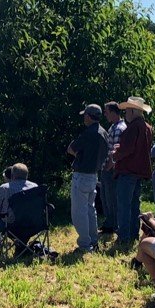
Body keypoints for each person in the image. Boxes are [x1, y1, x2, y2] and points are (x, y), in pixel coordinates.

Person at [111, 97, 153, 245]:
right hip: (139, 171)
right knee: (134, 205)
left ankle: (123, 237)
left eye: (128, 110)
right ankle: (133, 233)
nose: (126, 113)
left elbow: (127, 149)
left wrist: (116, 153)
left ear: (134, 111)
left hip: (128, 170)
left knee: (124, 205)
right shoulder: (147, 127)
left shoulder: (134, 127)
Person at [67, 103, 108, 252]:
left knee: (79, 211)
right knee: (91, 210)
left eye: (85, 115)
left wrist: (80, 155)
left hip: (82, 175)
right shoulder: (104, 132)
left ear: (89, 116)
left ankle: (84, 244)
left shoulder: (89, 132)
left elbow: (71, 148)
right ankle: (93, 240)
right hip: (94, 175)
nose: (84, 118)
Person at [0, 164, 36, 249]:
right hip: (31, 225)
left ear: (12, 175)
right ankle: (21, 246)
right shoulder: (34, 187)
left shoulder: (5, 188)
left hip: (10, 225)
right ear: (26, 175)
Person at [98, 101, 125, 234]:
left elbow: (116, 151)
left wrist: (109, 166)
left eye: (106, 112)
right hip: (108, 168)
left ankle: (113, 224)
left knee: (111, 197)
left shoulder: (118, 129)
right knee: (106, 197)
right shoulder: (114, 127)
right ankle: (110, 222)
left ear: (114, 112)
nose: (105, 114)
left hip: (111, 169)